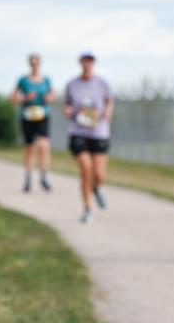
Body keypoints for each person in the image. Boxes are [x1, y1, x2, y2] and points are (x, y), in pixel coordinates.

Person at [63, 53, 113, 224]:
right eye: (85, 60)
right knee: (85, 169)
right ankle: (87, 209)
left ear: (93, 63)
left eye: (90, 60)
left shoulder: (102, 83)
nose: (87, 63)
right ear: (80, 62)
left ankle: (97, 187)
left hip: (99, 131)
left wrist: (108, 112)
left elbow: (109, 102)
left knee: (98, 174)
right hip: (79, 131)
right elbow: (67, 105)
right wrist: (68, 111)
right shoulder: (72, 84)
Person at [10, 53, 55, 193]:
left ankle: (43, 176)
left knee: (44, 146)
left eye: (37, 62)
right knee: (30, 148)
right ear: (29, 64)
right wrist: (24, 98)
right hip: (27, 117)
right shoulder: (23, 80)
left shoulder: (46, 80)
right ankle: (28, 178)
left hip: (43, 116)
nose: (34, 65)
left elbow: (52, 95)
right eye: (32, 62)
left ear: (40, 63)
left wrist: (48, 98)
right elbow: (13, 98)